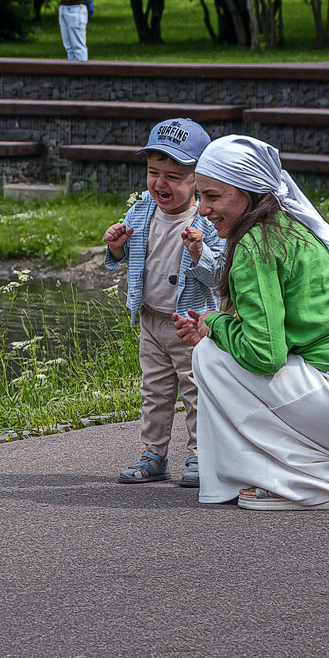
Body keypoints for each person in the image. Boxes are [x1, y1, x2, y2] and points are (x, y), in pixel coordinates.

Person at [172, 135, 329, 511]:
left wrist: (215, 325)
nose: (203, 210)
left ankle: (294, 482)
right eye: (199, 196)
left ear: (249, 192)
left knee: (209, 356)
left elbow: (265, 355)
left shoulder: (255, 245)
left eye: (213, 196)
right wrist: (218, 328)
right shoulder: (291, 228)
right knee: (218, 348)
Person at [103, 119, 225, 487]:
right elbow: (130, 256)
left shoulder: (207, 222)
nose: (160, 184)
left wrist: (199, 252)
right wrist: (116, 246)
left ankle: (202, 454)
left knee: (196, 390)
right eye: (154, 173)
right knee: (154, 390)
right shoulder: (142, 210)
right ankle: (153, 454)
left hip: (191, 323)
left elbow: (219, 277)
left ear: (198, 180)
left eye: (173, 176)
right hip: (151, 318)